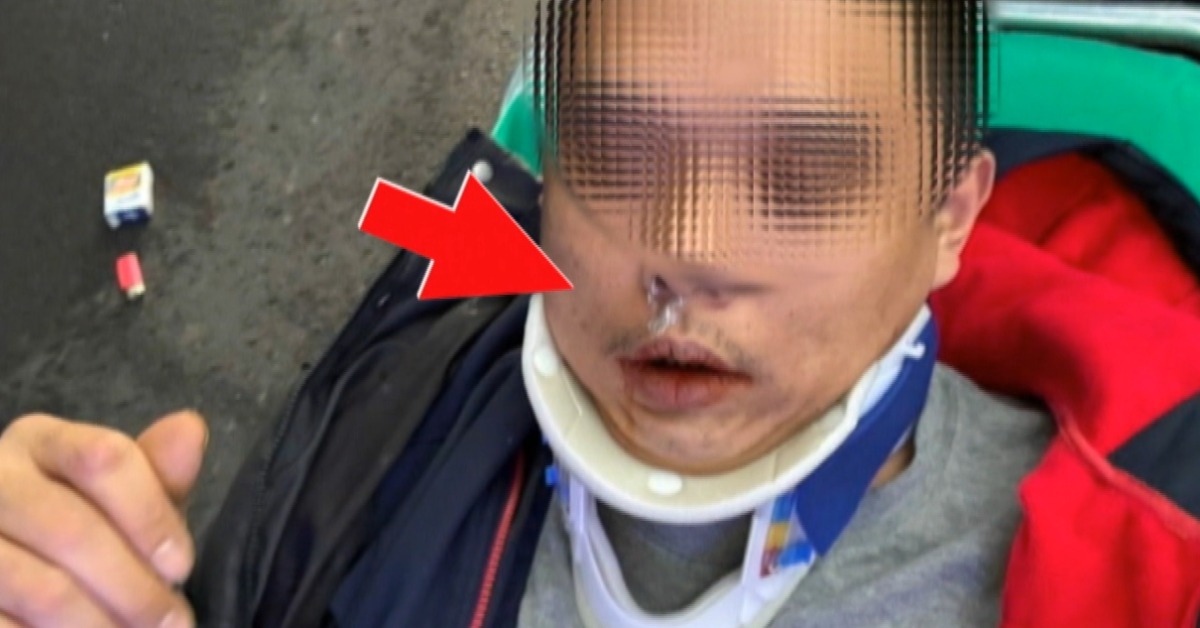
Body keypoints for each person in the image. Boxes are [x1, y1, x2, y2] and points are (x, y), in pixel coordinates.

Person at [3, 1, 1200, 627]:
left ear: (950, 218)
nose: (686, 255)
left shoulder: (1152, 564)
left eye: (803, 173)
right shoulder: (388, 419)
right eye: (619, 152)